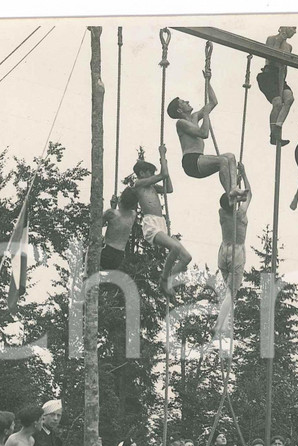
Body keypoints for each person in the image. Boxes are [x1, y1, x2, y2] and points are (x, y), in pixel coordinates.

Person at [168, 73, 241, 200]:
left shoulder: (195, 117)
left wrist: (208, 82)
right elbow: (204, 133)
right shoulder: (181, 123)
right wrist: (206, 115)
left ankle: (234, 188)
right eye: (183, 102)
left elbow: (213, 102)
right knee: (222, 161)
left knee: (230, 157)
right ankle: (230, 194)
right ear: (180, 110)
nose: (187, 101)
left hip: (199, 159)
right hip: (191, 161)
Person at [131, 149, 191, 295]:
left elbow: (169, 188)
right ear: (142, 173)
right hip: (151, 224)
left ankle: (168, 281)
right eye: (149, 172)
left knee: (186, 257)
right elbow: (162, 175)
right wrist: (163, 157)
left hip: (160, 223)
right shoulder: (138, 184)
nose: (152, 175)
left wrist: (165, 164)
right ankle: (164, 280)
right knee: (175, 248)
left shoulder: (152, 187)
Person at [214, 164, 252, 341]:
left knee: (228, 291)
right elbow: (249, 194)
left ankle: (222, 318)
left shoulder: (222, 213)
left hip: (223, 250)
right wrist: (243, 174)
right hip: (236, 251)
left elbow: (232, 199)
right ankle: (218, 325)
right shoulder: (241, 214)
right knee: (231, 292)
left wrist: (235, 183)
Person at [257, 26, 296, 146]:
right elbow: (270, 56)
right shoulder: (271, 39)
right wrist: (279, 41)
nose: (295, 31)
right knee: (278, 103)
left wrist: (283, 79)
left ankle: (278, 127)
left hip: (280, 77)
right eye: (293, 28)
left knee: (289, 98)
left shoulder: (289, 47)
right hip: (268, 75)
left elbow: (286, 66)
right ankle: (273, 135)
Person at [100, 187, 138, 271]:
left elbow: (98, 225)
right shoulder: (133, 215)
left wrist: (112, 207)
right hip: (119, 257)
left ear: (121, 200)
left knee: (90, 253)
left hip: (107, 251)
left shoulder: (111, 213)